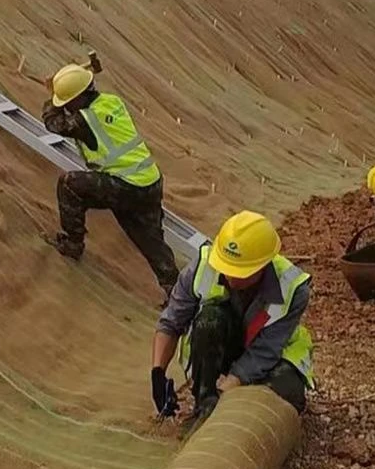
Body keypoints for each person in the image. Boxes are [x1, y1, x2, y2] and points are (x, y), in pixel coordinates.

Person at [150, 210, 314, 436]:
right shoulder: (203, 265)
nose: (229, 277)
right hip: (222, 346)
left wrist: (227, 390)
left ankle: (230, 410)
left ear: (263, 265)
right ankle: (203, 403)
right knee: (209, 321)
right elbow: (171, 322)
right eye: (226, 268)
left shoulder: (294, 288)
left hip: (268, 357)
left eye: (240, 272)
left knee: (287, 393)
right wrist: (157, 373)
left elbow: (265, 351)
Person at [41, 63, 178, 300]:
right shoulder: (112, 102)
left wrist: (51, 99)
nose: (66, 107)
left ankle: (73, 244)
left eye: (68, 103)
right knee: (150, 240)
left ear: (79, 98)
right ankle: (176, 292)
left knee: (69, 185)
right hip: (150, 181)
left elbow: (54, 124)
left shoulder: (85, 119)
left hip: (126, 184)